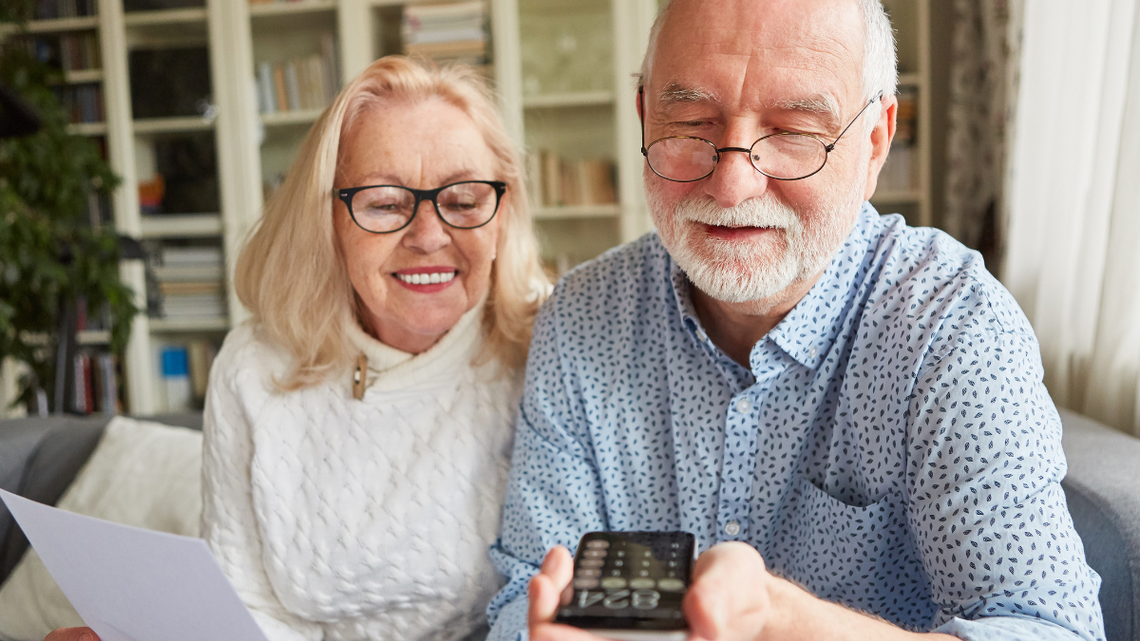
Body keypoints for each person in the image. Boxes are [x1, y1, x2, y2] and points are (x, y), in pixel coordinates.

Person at [486, 1, 1105, 641]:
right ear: (645, 118)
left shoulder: (952, 330)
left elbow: (1051, 630)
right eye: (692, 123)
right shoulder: (582, 317)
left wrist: (785, 622)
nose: (732, 184)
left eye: (794, 133)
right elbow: (522, 593)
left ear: (874, 144)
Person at [46, 55, 548, 641]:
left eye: (463, 200)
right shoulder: (253, 365)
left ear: (502, 211)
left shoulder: (553, 344)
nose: (430, 235)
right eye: (384, 203)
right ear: (326, 217)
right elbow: (243, 604)